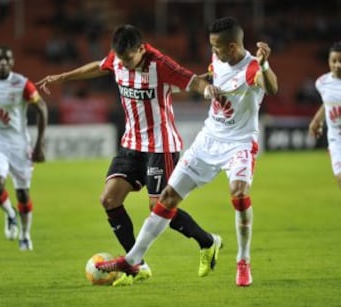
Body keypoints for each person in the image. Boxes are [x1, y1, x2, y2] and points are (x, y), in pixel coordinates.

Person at [96, 16, 278, 287]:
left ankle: (243, 260)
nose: (212, 51)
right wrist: (201, 85)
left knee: (239, 193)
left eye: (216, 46)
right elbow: (210, 76)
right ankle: (133, 260)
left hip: (239, 143)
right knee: (167, 198)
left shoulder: (251, 67)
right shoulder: (218, 59)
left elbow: (271, 87)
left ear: (232, 46)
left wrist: (264, 64)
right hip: (208, 139)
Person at [36, 24, 222, 281]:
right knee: (109, 200)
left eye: (129, 58)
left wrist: (208, 90)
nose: (124, 63)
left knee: (158, 207)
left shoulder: (160, 64)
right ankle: (138, 266)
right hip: (131, 144)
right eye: (120, 59)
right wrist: (64, 77)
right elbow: (97, 67)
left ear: (141, 49)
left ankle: (208, 242)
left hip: (161, 146)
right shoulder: (118, 59)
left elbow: (193, 81)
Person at [0, 46, 48, 251]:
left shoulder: (22, 84)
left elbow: (42, 108)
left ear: (12, 63)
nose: (2, 62)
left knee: (23, 194)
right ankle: (10, 214)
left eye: (7, 59)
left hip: (19, 146)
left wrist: (38, 144)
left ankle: (25, 235)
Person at [309, 41, 341, 187]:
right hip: (336, 141)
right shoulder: (322, 83)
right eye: (334, 61)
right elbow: (327, 104)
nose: (337, 65)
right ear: (328, 61)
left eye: (340, 61)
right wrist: (316, 120)